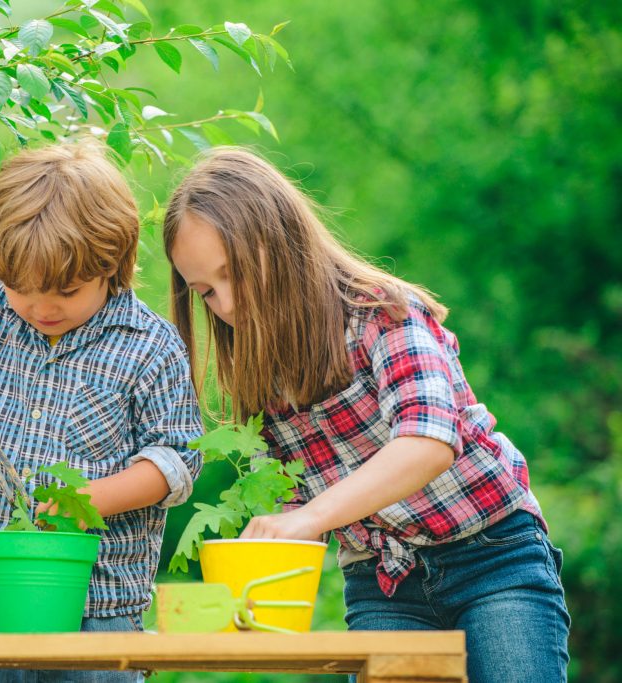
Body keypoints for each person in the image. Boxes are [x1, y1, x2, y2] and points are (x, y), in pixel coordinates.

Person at [162, 147, 569, 683]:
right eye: (207, 291)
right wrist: (246, 586)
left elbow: (428, 439)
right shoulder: (260, 374)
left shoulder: (382, 312)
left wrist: (309, 517)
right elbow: (296, 502)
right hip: (383, 586)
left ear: (280, 238)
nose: (229, 303)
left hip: (492, 557)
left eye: (234, 272)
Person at [0, 140, 202, 683]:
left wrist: (88, 501)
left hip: (99, 608)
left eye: (66, 292)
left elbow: (180, 460)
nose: (41, 308)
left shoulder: (150, 346)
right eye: (20, 289)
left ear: (113, 263)